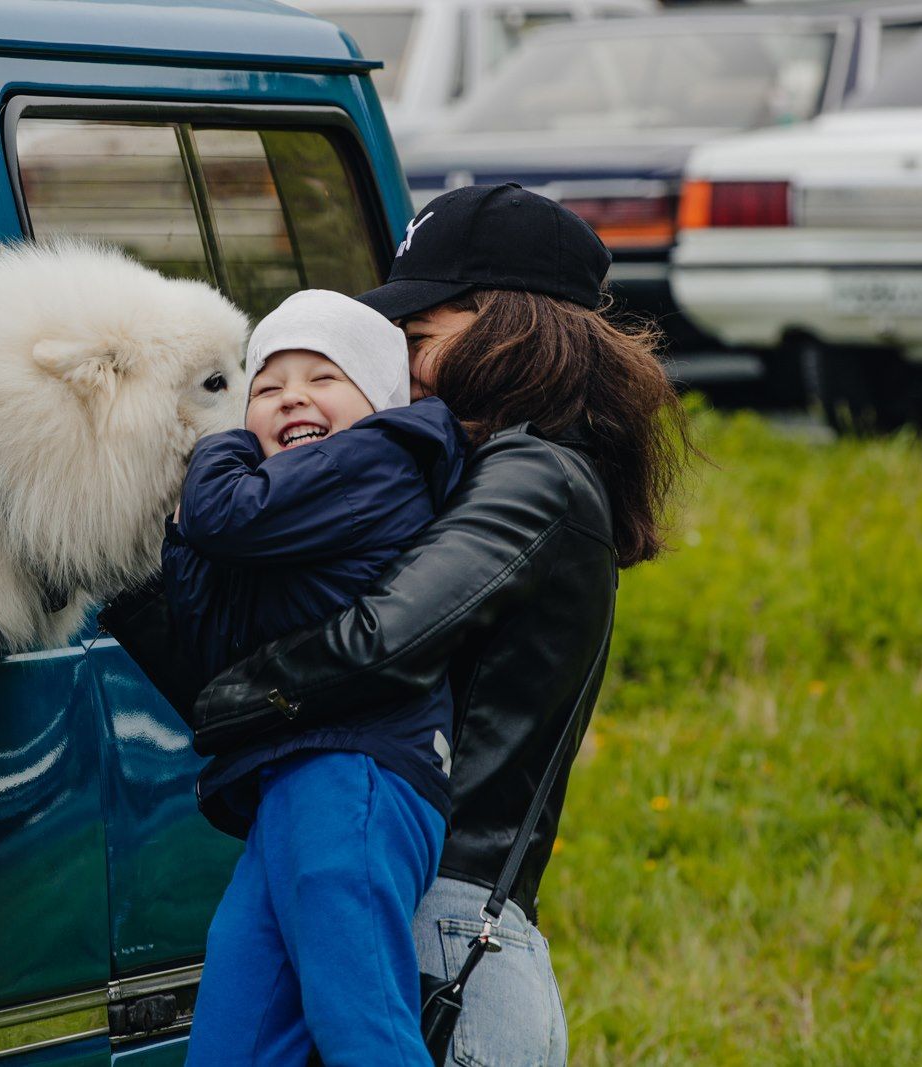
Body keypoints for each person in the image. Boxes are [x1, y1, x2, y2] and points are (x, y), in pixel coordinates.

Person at [104, 183, 693, 1065]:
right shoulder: (466, 472)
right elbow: (307, 672)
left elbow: (380, 643)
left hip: (446, 935)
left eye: (421, 341)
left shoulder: (539, 477)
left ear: (509, 324)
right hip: (396, 906)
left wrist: (230, 699)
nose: (404, 369)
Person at [162, 289, 464, 1066]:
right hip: (291, 777)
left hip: (354, 770)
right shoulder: (288, 511)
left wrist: (216, 446)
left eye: (323, 375)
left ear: (380, 396)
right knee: (237, 1040)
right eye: (266, 386)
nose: (290, 394)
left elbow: (224, 516)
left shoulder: (382, 457)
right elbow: (207, 636)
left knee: (364, 1028)